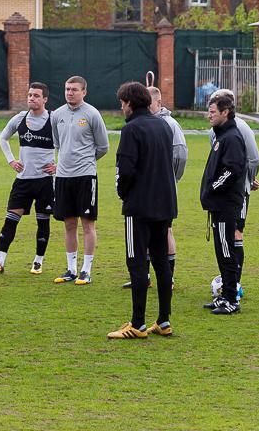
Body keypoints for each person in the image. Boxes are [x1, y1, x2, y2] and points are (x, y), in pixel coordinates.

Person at [107, 82, 177, 339]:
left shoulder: (131, 129)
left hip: (139, 205)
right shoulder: (163, 125)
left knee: (136, 262)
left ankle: (138, 323)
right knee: (161, 261)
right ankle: (164, 320)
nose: (121, 108)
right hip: (165, 203)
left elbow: (125, 169)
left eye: (122, 103)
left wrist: (123, 193)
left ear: (129, 102)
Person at [120, 86, 187, 289]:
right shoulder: (143, 124)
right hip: (148, 191)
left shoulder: (168, 124)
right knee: (146, 237)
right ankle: (145, 277)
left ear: (158, 102)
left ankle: (167, 277)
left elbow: (180, 156)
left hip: (162, 190)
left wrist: (170, 179)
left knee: (165, 233)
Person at [0, 82, 56, 276]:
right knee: (10, 220)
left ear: (45, 99)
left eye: (36, 95)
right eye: (30, 95)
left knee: (43, 222)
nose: (32, 98)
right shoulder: (20, 118)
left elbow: (67, 143)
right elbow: (3, 138)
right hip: (23, 181)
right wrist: (11, 160)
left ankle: (38, 262)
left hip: (45, 182)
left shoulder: (54, 120)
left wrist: (59, 166)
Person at [51, 76, 109, 285]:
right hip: (63, 177)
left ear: (84, 92)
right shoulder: (57, 115)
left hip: (85, 176)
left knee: (87, 224)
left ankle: (86, 270)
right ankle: (71, 269)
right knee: (68, 224)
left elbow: (103, 146)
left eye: (74, 89)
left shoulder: (92, 114)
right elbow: (58, 143)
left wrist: (86, 162)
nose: (70, 93)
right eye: (67, 89)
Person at [208, 88, 259, 296]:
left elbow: (254, 159)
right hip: (221, 194)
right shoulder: (215, 130)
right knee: (224, 239)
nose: (210, 113)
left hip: (235, 192)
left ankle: (233, 286)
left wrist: (248, 179)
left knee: (235, 233)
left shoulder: (240, 129)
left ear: (227, 108)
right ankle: (229, 283)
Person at [199, 94, 247, 315]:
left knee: (227, 251)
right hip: (218, 205)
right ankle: (225, 295)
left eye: (212, 112)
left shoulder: (232, 138)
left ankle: (231, 299)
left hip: (226, 205)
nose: (209, 116)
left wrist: (212, 188)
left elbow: (232, 170)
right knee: (221, 251)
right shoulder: (222, 136)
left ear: (225, 112)